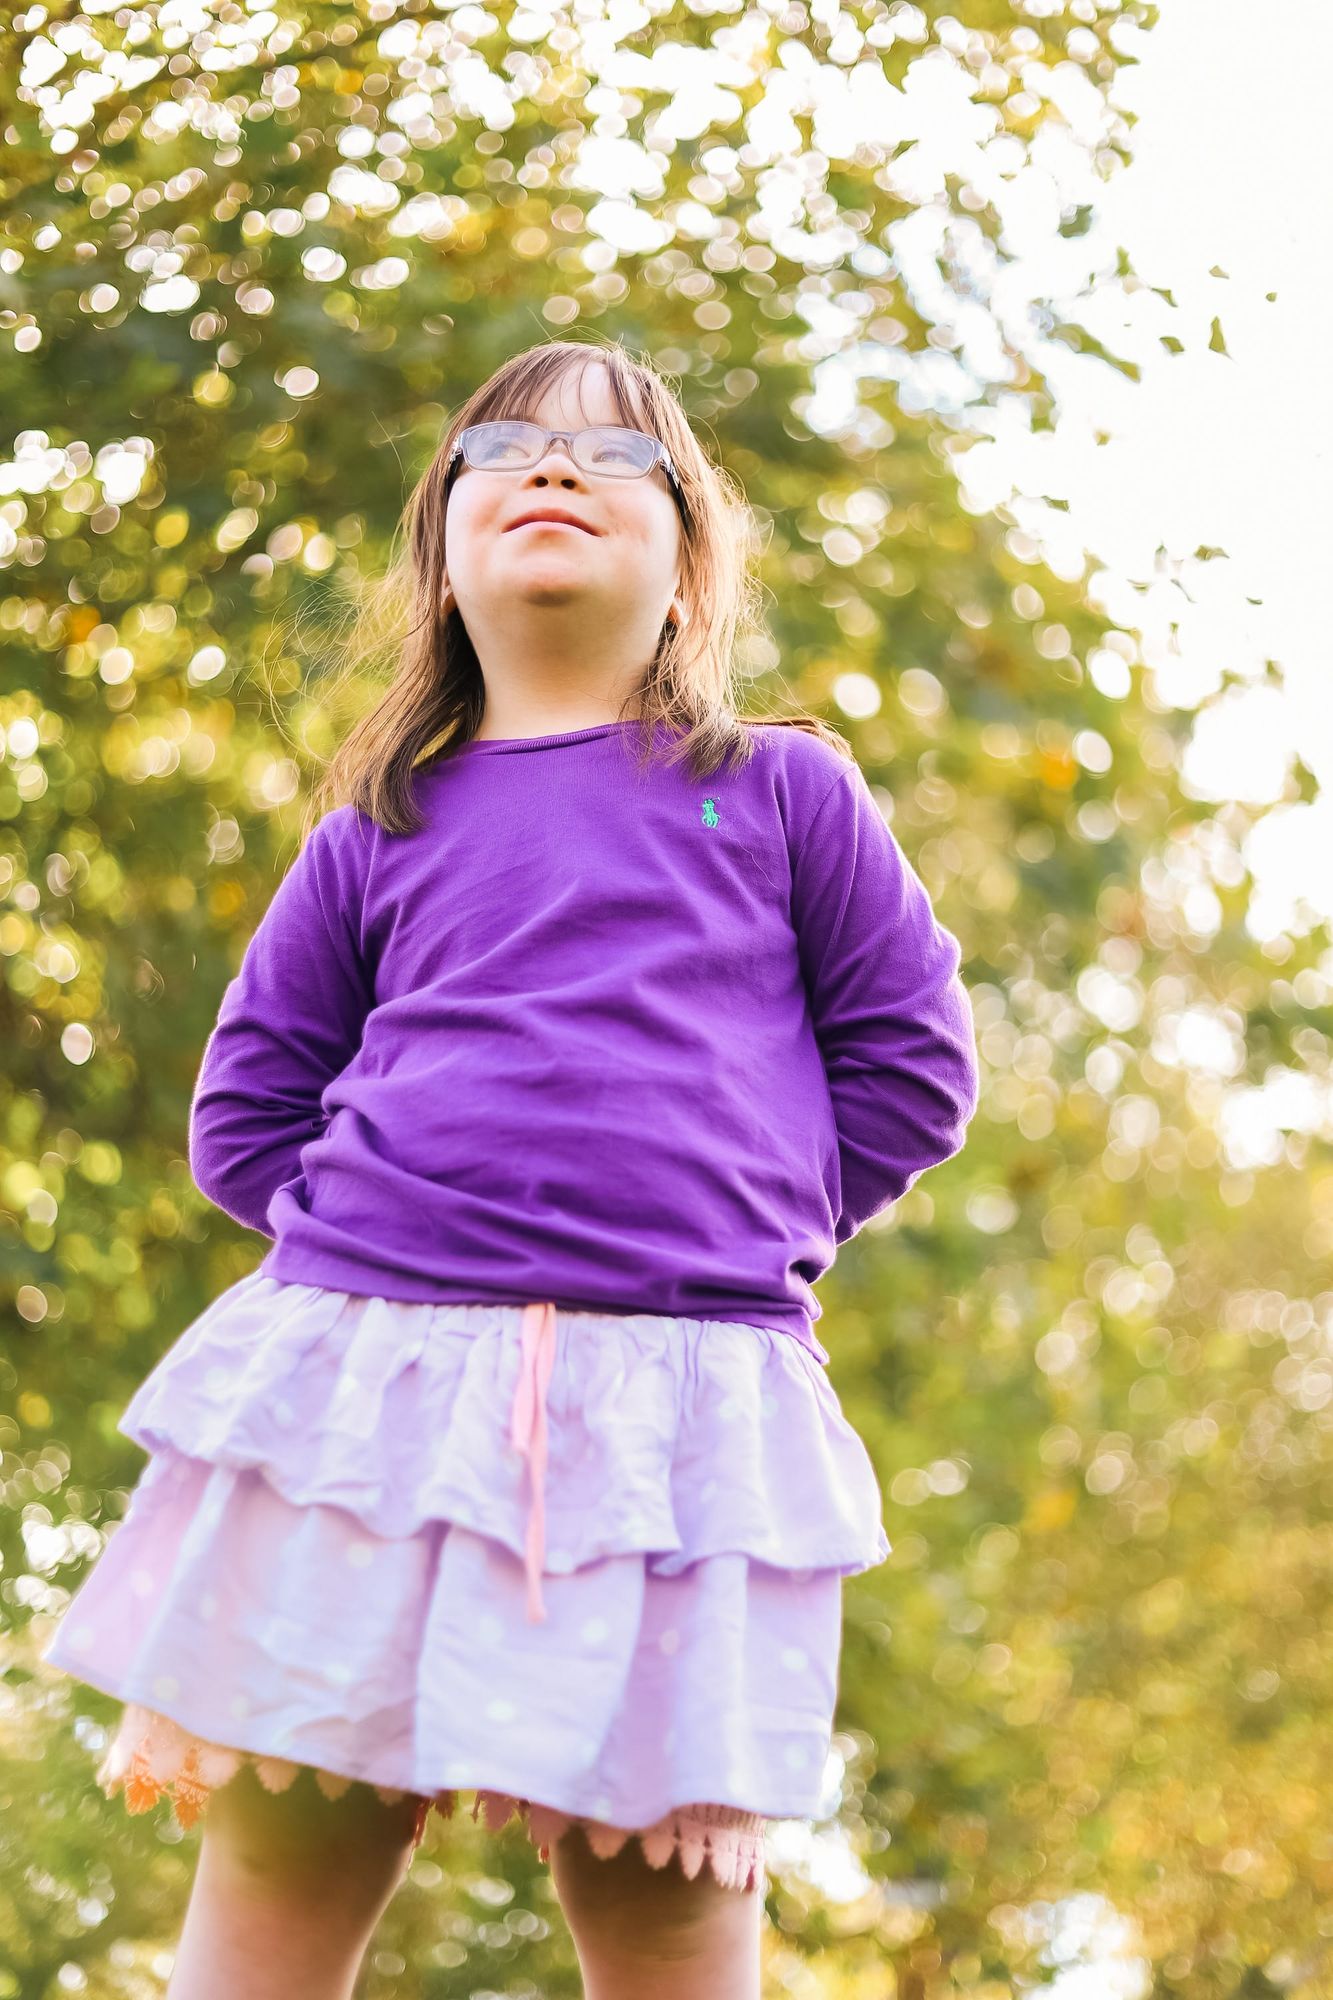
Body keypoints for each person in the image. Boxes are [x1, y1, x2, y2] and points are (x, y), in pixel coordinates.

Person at [40, 335, 981, 2000]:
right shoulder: (378, 828)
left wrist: (726, 1217)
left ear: (687, 563)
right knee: (284, 1859)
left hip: (678, 1417)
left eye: (616, 455)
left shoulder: (778, 794)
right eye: (505, 450)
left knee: (669, 1901)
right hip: (364, 1399)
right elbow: (246, 1115)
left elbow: (909, 1069)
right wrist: (388, 1236)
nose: (555, 468)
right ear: (444, 554)